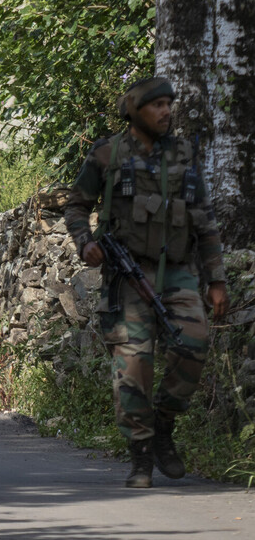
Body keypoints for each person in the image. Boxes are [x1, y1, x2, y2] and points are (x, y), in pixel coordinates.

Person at [64, 77, 229, 488]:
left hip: (177, 272)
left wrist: (217, 280)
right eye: (156, 105)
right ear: (135, 110)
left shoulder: (185, 154)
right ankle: (141, 456)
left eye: (169, 104)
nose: (166, 111)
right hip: (127, 275)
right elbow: (76, 206)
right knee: (134, 366)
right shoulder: (107, 154)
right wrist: (86, 243)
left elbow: (205, 221)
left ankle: (164, 427)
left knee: (193, 345)